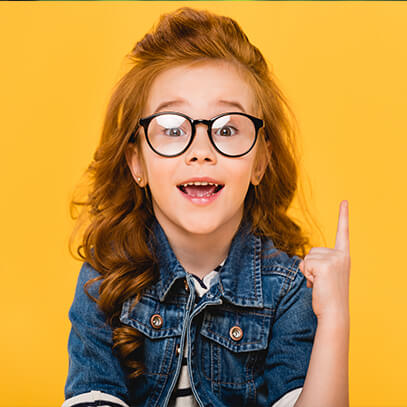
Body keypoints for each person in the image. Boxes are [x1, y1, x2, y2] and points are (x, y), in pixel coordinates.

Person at [62, 7, 350, 407]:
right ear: (137, 163)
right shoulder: (104, 281)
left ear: (261, 162)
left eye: (228, 128)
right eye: (173, 129)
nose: (201, 151)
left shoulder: (286, 288)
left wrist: (335, 318)